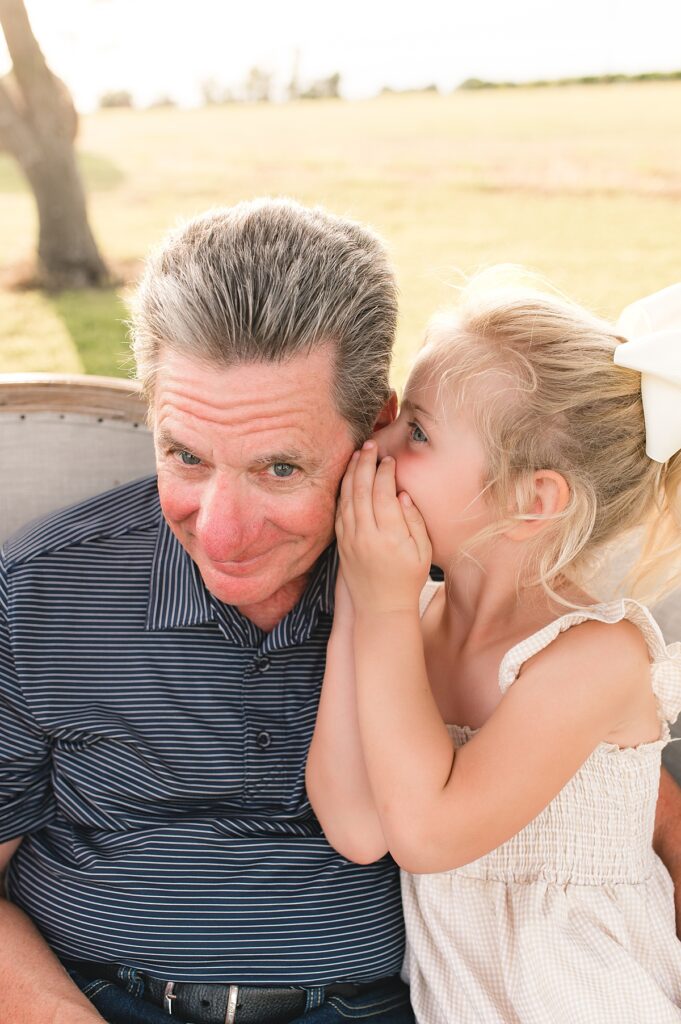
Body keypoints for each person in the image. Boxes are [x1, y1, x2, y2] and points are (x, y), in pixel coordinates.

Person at [0, 199, 415, 1024]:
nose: (220, 532)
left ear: (375, 428)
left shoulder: (439, 579)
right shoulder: (39, 593)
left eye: (280, 469)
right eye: (185, 456)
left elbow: (624, 801)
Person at [307, 273, 681, 1023]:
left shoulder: (594, 656)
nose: (373, 447)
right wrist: (360, 600)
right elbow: (358, 829)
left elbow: (424, 834)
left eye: (416, 431)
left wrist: (380, 610)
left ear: (532, 500)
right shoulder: (406, 618)